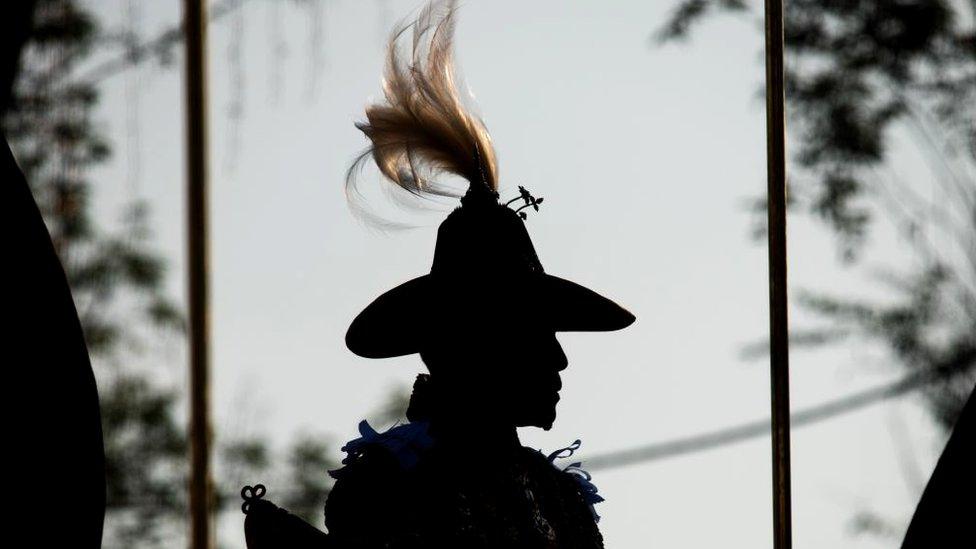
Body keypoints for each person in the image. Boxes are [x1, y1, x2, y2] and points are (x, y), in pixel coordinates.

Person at [242, 2, 634, 547]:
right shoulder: (388, 484)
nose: (558, 356)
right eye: (533, 333)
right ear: (475, 346)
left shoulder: (556, 497)